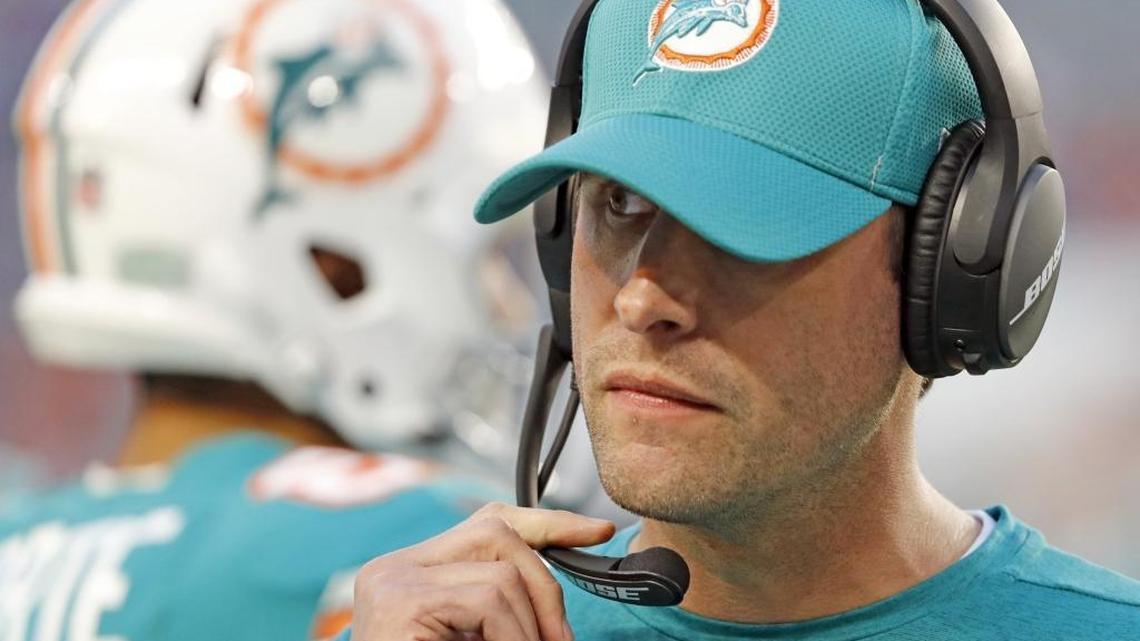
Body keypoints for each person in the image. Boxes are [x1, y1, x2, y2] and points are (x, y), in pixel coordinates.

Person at [342, 0, 1140, 639]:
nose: (642, 299)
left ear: (954, 271)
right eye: (617, 204)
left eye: (743, 223)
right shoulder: (451, 630)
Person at [0, 0, 584, 638]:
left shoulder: (20, 538)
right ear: (335, 268)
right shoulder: (413, 540)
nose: (511, 304)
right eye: (489, 262)